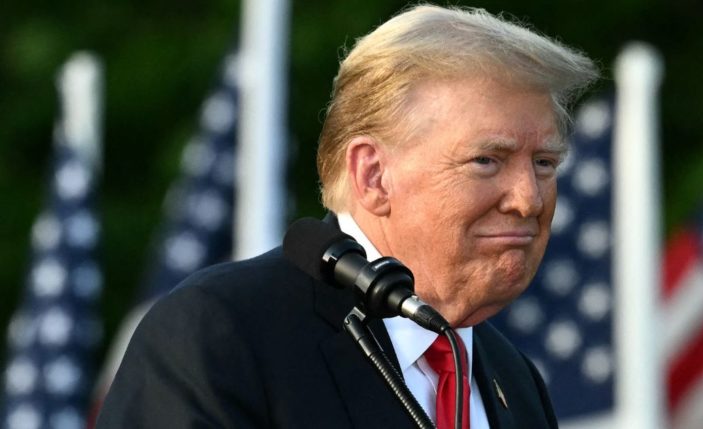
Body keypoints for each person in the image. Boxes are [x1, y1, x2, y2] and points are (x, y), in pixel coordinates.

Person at [97, 4, 597, 428]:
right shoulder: (219, 333)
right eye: (487, 161)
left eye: (544, 163)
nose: (528, 199)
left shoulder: (513, 379)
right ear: (373, 175)